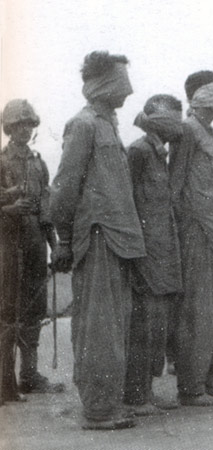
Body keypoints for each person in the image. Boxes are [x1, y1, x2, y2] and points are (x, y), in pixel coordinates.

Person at [49, 51, 144, 429]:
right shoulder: (84, 124)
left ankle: (107, 402)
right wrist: (64, 240)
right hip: (98, 237)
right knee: (98, 327)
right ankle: (98, 410)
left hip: (118, 239)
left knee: (114, 326)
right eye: (120, 80)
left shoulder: (109, 125)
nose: (127, 89)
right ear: (104, 83)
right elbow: (65, 187)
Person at [168, 70, 213, 406]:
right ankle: (190, 387)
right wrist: (183, 231)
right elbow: (175, 187)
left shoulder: (208, 132)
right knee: (198, 312)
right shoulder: (189, 132)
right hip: (197, 233)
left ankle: (208, 380)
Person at [0, 100, 65, 405]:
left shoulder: (39, 163)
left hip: (36, 242)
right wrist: (10, 209)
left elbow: (47, 211)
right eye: (18, 125)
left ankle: (30, 375)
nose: (25, 130)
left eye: (29, 125)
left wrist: (57, 245)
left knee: (34, 310)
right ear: (8, 128)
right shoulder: (1, 162)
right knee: (8, 311)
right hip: (8, 245)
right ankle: (5, 382)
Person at [123, 95, 184, 415]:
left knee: (159, 325)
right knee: (143, 325)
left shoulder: (160, 154)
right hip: (146, 253)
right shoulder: (139, 152)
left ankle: (146, 388)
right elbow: (128, 203)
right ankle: (136, 394)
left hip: (164, 252)